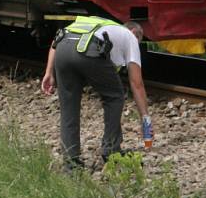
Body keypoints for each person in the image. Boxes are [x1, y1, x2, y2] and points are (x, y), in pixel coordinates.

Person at [40, 16, 152, 169]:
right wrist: (145, 118)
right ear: (134, 32)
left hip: (63, 49)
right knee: (114, 96)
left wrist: (49, 72)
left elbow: (56, 40)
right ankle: (111, 151)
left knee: (69, 105)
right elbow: (136, 84)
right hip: (89, 49)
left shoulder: (99, 24)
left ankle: (71, 161)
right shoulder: (130, 37)